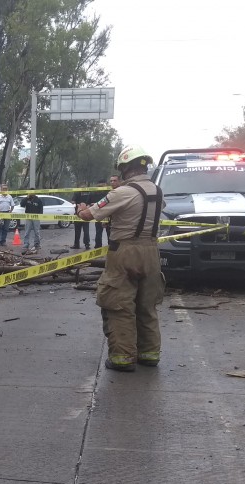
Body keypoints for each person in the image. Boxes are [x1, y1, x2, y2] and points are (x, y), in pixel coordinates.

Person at [77, 144, 165, 372]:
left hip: (125, 252)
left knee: (119, 305)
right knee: (147, 305)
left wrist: (81, 208)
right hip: (152, 252)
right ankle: (150, 354)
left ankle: (122, 358)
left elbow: (88, 215)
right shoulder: (157, 190)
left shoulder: (122, 193)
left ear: (126, 169)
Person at [21, 189, 42, 254]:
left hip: (36, 217)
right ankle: (26, 244)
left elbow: (41, 209)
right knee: (27, 231)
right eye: (30, 193)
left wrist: (39, 216)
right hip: (28, 217)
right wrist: (27, 197)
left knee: (37, 232)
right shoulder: (27, 199)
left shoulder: (38, 200)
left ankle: (37, 244)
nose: (31, 194)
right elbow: (22, 204)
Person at [71, 183, 91, 250]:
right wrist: (76, 204)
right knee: (78, 231)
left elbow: (90, 203)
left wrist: (87, 206)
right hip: (79, 214)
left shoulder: (89, 193)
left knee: (86, 231)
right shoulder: (77, 193)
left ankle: (86, 245)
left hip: (85, 214)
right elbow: (73, 201)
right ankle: (77, 244)